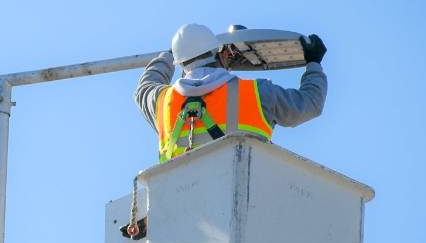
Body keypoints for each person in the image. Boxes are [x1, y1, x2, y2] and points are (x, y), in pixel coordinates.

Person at [135, 23, 328, 162]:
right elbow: (310, 103)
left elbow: (145, 87)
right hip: (243, 194)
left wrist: (167, 56)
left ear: (182, 65)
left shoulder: (163, 102)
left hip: (181, 201)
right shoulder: (257, 93)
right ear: (220, 54)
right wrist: (314, 64)